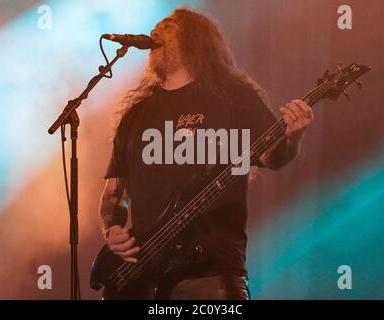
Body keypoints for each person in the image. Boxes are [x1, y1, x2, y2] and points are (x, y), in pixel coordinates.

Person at [99, 7, 314, 300]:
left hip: (211, 271)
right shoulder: (136, 115)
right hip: (140, 275)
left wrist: (294, 135)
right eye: (156, 26)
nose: (154, 32)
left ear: (195, 39)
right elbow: (115, 192)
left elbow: (271, 157)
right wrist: (111, 229)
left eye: (168, 25)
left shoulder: (233, 97)